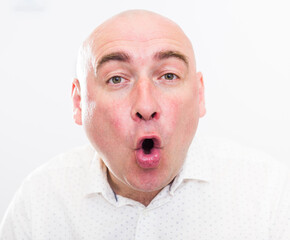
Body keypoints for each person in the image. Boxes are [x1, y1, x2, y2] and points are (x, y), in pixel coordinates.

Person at [0, 9, 289, 240]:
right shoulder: (39, 203)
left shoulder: (269, 196)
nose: (146, 107)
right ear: (79, 103)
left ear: (199, 95)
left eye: (169, 76)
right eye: (116, 79)